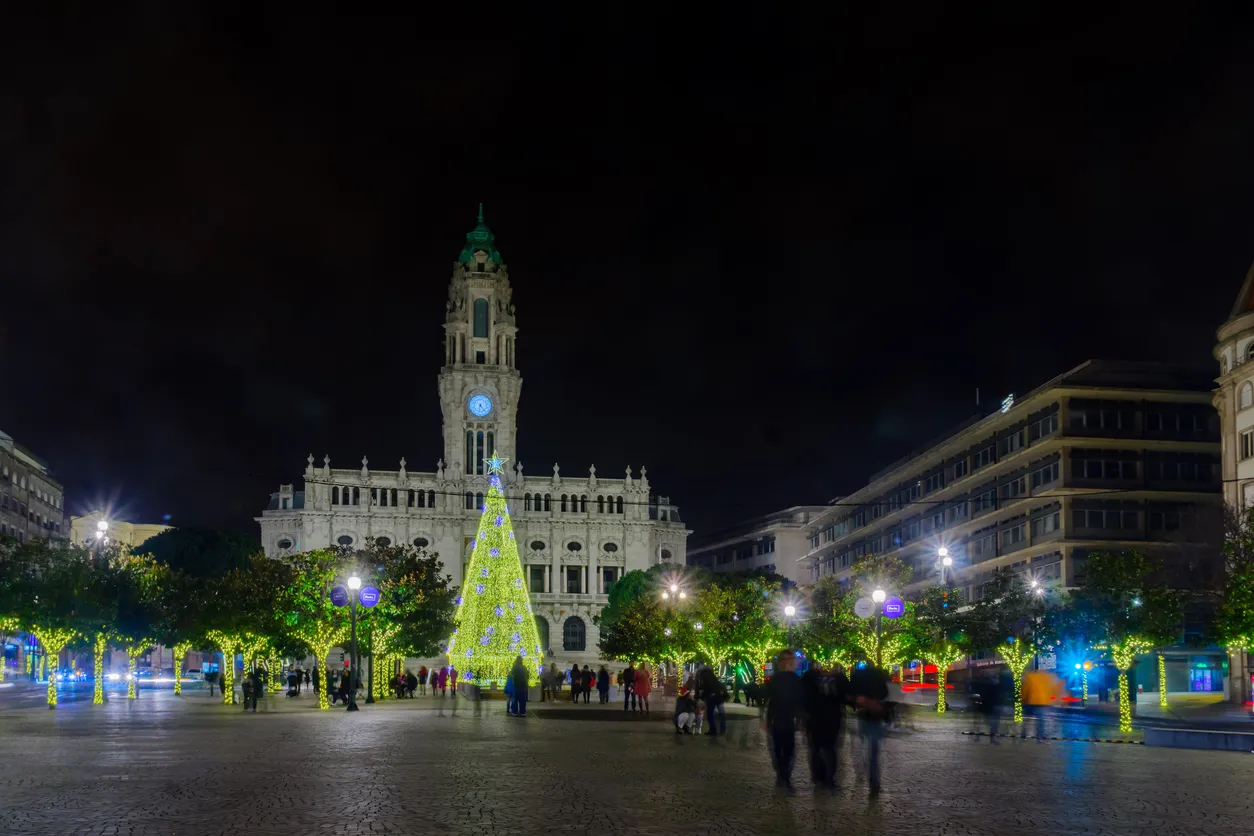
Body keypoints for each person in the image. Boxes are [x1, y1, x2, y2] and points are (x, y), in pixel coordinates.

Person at [803, 661, 848, 790]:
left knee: (819, 749)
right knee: (828, 749)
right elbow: (844, 697)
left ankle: (821, 778)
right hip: (827, 720)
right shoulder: (836, 680)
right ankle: (827, 779)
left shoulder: (811, 679)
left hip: (820, 720)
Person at [764, 651, 805, 793]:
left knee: (781, 749)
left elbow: (770, 701)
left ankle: (782, 775)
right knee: (785, 750)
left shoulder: (779, 679)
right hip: (783, 720)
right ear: (787, 662)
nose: (794, 662)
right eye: (792, 659)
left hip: (782, 720)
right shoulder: (793, 680)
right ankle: (784, 776)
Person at [849, 662, 891, 797]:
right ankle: (874, 779)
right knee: (873, 750)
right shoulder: (879, 675)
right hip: (875, 715)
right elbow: (885, 693)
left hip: (863, 714)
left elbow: (851, 693)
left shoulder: (858, 676)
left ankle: (862, 770)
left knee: (862, 743)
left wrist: (858, 702)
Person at [972, 673, 1003, 741]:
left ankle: (978, 737)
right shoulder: (997, 686)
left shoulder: (983, 685)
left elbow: (979, 695)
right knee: (993, 723)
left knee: (980, 722)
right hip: (992, 706)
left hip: (985, 706)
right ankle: (992, 738)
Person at [699, 665, 727, 737]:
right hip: (719, 697)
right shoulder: (713, 677)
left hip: (711, 697)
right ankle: (722, 729)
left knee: (710, 714)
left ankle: (713, 730)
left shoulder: (704, 677)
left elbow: (704, 689)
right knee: (722, 713)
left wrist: (701, 697)